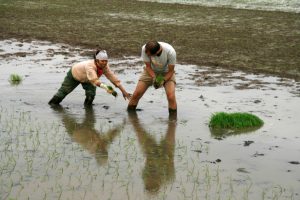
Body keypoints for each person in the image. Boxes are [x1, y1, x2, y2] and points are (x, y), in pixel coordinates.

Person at [48, 50, 131, 106]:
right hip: (74, 75)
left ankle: (88, 111)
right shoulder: (90, 66)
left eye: (106, 61)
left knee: (91, 95)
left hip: (88, 80)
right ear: (96, 60)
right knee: (62, 92)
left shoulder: (105, 67)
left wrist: (124, 92)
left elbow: (114, 79)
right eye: (102, 61)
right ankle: (52, 105)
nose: (104, 63)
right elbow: (95, 81)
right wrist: (107, 87)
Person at [127, 41, 177, 115]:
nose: (149, 56)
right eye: (148, 55)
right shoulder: (145, 49)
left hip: (166, 72)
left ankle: (172, 122)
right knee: (136, 94)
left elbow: (171, 71)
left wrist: (163, 80)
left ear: (156, 53)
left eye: (150, 55)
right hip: (150, 70)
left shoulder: (170, 52)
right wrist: (154, 77)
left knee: (171, 96)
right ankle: (131, 118)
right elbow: (148, 66)